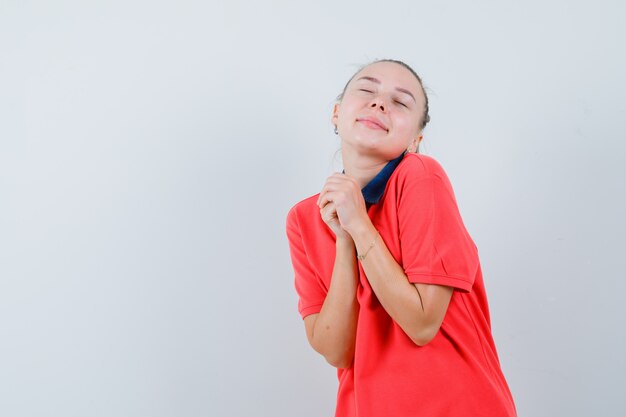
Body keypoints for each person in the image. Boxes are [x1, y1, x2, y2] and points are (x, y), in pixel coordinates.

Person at [285, 59, 517, 417]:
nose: (379, 103)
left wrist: (360, 226)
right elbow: (337, 350)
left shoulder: (420, 176)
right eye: (366, 89)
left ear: (415, 140)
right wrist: (344, 240)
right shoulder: (304, 218)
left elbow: (422, 323)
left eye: (401, 101)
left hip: (457, 406)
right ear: (336, 113)